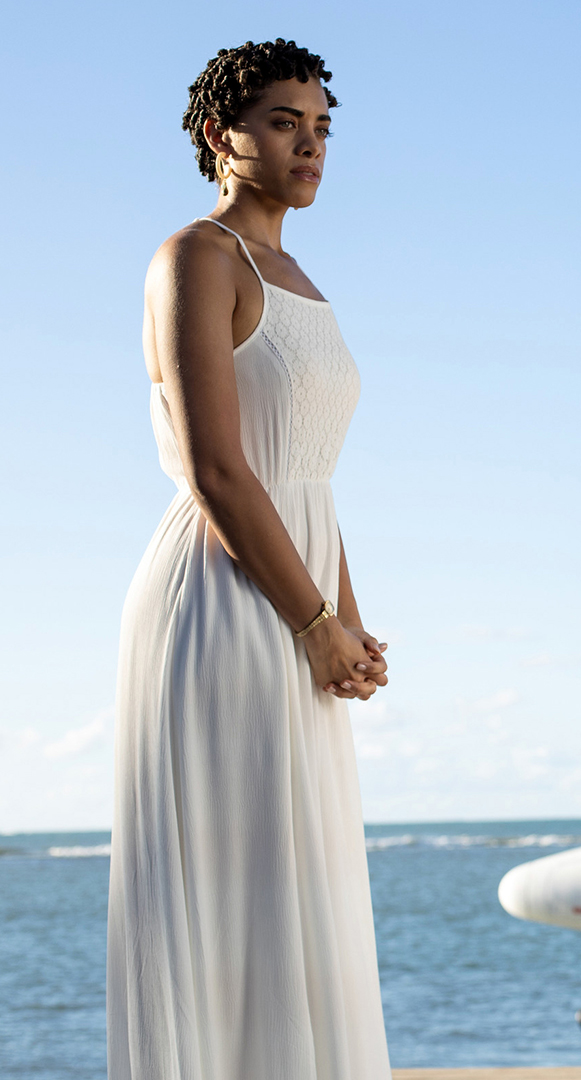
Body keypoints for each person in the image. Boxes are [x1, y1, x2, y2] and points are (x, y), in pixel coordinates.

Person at [108, 39, 393, 1080]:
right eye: (283, 123)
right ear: (219, 136)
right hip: (224, 603)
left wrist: (348, 623)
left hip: (298, 600)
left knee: (299, 888)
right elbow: (218, 469)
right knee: (237, 890)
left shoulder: (302, 279)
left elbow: (308, 470)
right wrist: (314, 623)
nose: (309, 145)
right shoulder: (196, 258)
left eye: (321, 128)